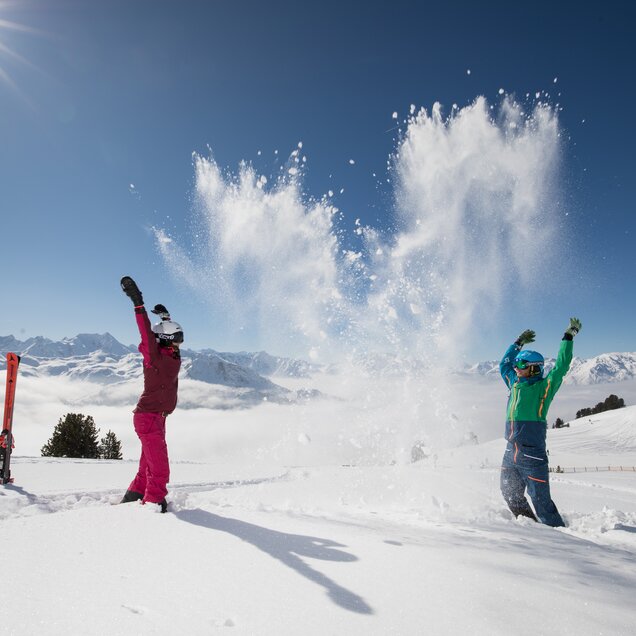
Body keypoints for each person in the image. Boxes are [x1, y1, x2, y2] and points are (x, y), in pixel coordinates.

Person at [499, 317, 582, 527]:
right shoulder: (514, 383)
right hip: (511, 452)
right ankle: (532, 531)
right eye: (517, 364)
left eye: (522, 364)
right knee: (510, 495)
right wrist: (518, 343)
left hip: (532, 456)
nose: (516, 367)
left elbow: (561, 367)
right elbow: (504, 364)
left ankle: (561, 540)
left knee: (542, 503)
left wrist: (568, 336)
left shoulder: (543, 389)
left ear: (534, 368)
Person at [120, 276, 183, 513]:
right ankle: (154, 504)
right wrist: (138, 304)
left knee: (148, 464)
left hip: (158, 417)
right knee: (160, 469)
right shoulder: (153, 356)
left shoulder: (170, 355)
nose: (179, 345)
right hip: (148, 417)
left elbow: (160, 334)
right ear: (166, 341)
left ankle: (135, 494)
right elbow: (147, 332)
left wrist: (166, 319)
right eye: (176, 341)